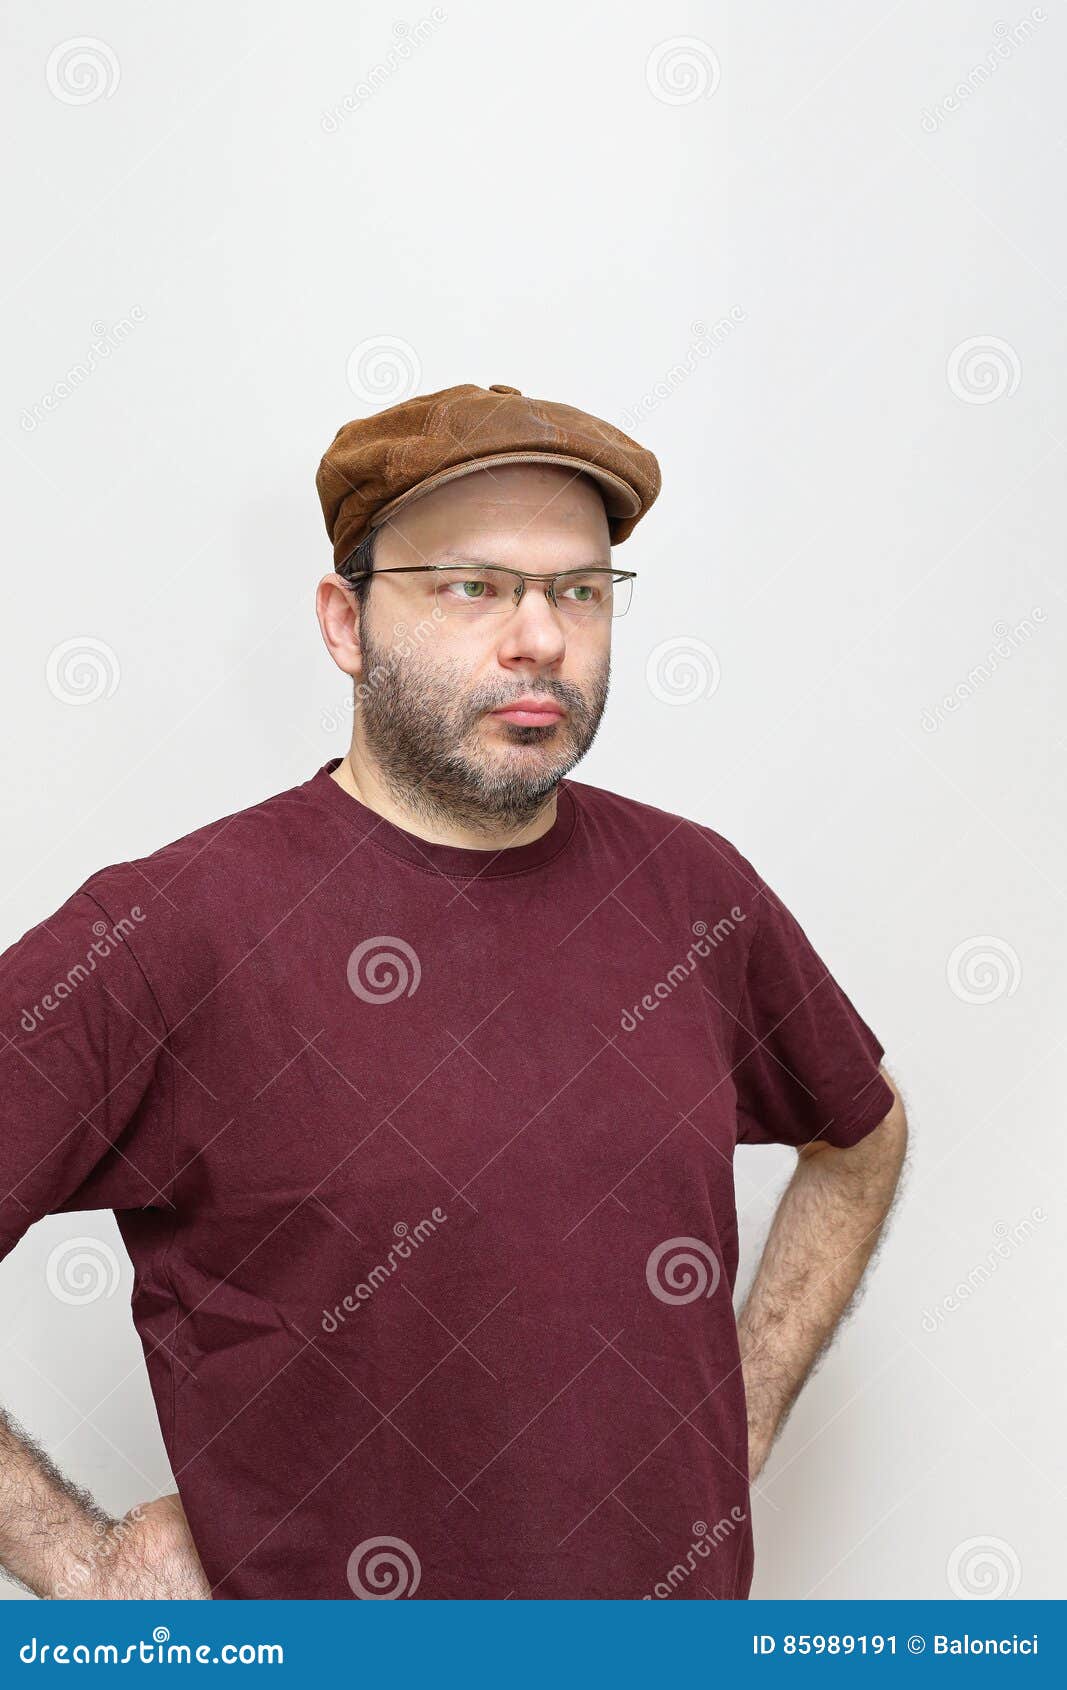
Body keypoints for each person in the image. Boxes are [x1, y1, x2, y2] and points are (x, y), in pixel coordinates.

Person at [0, 383, 907, 1600]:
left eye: (576, 590)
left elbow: (859, 1134)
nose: (539, 636)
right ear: (345, 621)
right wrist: (78, 1557)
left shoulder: (691, 891)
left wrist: (719, 1430)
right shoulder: (171, 932)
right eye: (471, 586)